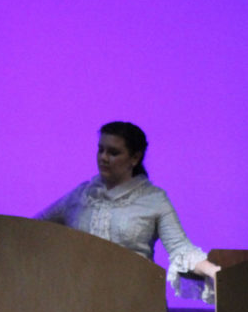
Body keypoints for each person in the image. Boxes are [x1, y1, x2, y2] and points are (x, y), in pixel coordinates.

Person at [36, 121, 219, 301]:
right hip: (82, 302)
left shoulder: (153, 199)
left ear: (135, 158)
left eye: (114, 152)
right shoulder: (81, 195)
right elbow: (35, 228)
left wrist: (212, 271)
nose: (104, 158)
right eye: (101, 150)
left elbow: (180, 248)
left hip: (133, 304)